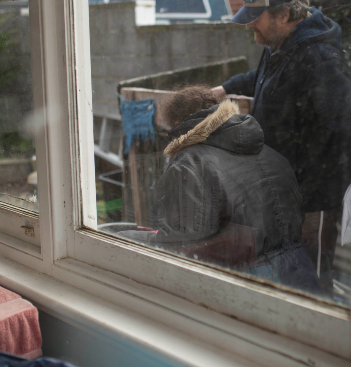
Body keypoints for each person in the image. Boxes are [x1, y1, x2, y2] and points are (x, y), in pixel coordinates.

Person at [211, 0, 351, 295]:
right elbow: (261, 76)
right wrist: (223, 89)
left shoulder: (319, 57)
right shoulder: (279, 42)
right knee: (289, 279)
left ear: (284, 14)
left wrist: (304, 190)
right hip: (285, 196)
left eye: (255, 17)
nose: (249, 24)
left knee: (312, 284)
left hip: (311, 203)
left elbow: (346, 127)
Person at [116, 87, 320, 295]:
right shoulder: (273, 154)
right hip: (302, 272)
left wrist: (122, 238)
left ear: (177, 125)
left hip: (251, 283)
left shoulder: (190, 163)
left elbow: (183, 244)